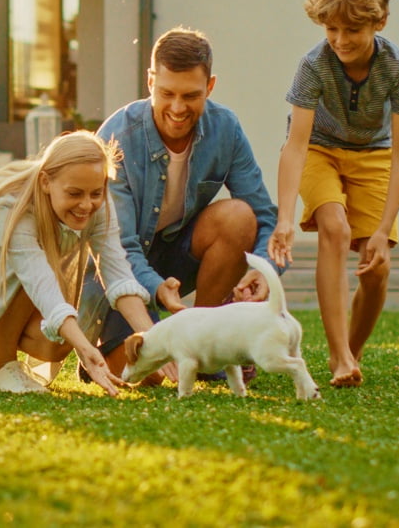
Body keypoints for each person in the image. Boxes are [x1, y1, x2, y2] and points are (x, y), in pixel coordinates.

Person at [78, 26, 281, 379]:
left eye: (191, 96)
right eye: (166, 92)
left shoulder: (226, 129)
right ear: (150, 80)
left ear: (210, 87)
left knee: (238, 216)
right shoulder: (117, 136)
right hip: (117, 269)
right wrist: (156, 289)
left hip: (177, 255)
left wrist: (264, 270)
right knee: (149, 375)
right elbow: (120, 248)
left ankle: (204, 343)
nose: (177, 107)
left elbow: (264, 216)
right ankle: (108, 349)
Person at [0, 130, 158, 395]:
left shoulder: (97, 202)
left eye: (96, 192)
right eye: (74, 193)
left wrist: (157, 344)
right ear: (46, 182)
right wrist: (87, 348)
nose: (86, 204)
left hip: (8, 278)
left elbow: (118, 277)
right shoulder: (12, 205)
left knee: (55, 345)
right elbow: (38, 281)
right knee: (46, 293)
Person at [270, 0, 399, 388]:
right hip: (320, 149)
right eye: (331, 29)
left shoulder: (398, 68)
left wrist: (384, 227)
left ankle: (351, 355)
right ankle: (338, 356)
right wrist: (285, 218)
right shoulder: (314, 65)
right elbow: (296, 145)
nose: (339, 40)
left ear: (380, 22)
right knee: (333, 228)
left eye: (351, 31)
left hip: (374, 154)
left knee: (376, 268)